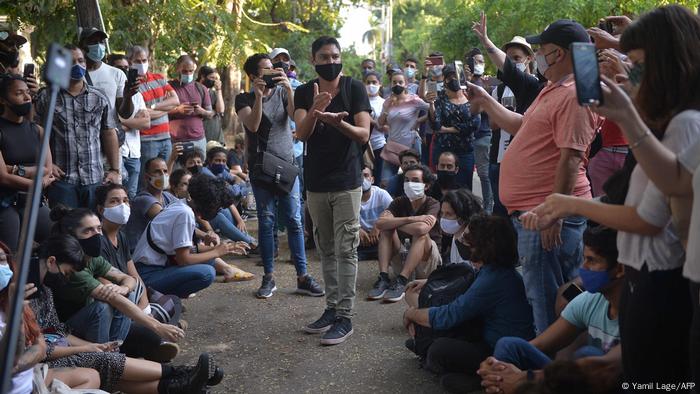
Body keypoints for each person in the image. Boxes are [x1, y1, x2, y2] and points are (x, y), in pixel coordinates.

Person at [521, 5, 700, 386]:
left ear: (666, 64)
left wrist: (567, 202)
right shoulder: (666, 122)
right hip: (647, 282)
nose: (627, 74)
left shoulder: (685, 124)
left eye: (635, 64)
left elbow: (650, 217)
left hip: (663, 284)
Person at [466, 20, 599, 334]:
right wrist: (486, 101)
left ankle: (548, 372)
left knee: (547, 298)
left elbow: (571, 158)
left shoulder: (575, 94)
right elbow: (521, 125)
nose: (537, 55)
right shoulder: (554, 88)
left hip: (545, 215)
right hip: (533, 213)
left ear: (561, 54)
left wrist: (553, 216)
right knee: (541, 294)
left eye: (542, 50)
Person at [23, 235, 222, 393]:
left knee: (109, 367)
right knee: (105, 362)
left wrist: (92, 346)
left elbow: (58, 332)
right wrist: (84, 349)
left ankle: (183, 385)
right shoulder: (22, 296)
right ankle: (181, 374)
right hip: (38, 365)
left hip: (52, 354)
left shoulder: (44, 290)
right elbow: (40, 350)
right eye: (65, 273)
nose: (65, 278)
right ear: (51, 261)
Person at [478, 226, 623, 394]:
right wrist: (494, 365)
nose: (583, 268)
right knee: (508, 345)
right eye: (583, 259)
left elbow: (599, 369)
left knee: (587, 354)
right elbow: (543, 338)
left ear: (619, 269)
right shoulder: (590, 300)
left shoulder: (641, 310)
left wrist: (526, 377)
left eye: (592, 260)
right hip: (576, 377)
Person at [294, 36, 371, 345]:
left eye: (335, 56)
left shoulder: (354, 88)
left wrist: (339, 123)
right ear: (313, 61)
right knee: (325, 247)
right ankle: (331, 308)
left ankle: (345, 316)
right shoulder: (303, 91)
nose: (330, 61)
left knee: (346, 247)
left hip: (347, 181)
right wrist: (315, 110)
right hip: (315, 182)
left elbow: (364, 134)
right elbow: (301, 133)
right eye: (323, 57)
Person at [402, 214, 535, 386]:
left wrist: (412, 314)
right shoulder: (494, 270)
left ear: (483, 247)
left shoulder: (494, 279)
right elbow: (463, 289)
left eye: (467, 240)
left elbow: (448, 315)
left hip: (500, 353)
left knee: (439, 350)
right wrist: (431, 282)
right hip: (489, 338)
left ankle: (484, 379)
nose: (462, 243)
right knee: (438, 337)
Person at [236, 53, 322, 299]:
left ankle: (302, 276)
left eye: (273, 68)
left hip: (286, 164)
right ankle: (269, 277)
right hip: (261, 167)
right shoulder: (243, 98)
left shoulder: (284, 92)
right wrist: (260, 97)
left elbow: (296, 119)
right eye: (266, 70)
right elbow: (252, 125)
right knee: (266, 220)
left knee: (294, 220)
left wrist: (288, 89)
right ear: (253, 76)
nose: (272, 72)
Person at [49, 206, 185, 360]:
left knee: (165, 299)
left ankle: (114, 351)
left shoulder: (94, 257)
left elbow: (130, 280)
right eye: (88, 231)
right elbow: (112, 299)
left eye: (98, 228)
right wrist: (157, 326)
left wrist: (124, 288)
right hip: (73, 332)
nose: (97, 235)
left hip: (110, 323)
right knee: (104, 307)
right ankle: (105, 359)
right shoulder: (73, 268)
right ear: (72, 236)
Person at [0, 242, 103, 392]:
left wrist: (88, 347)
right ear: (51, 262)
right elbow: (9, 361)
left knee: (96, 373)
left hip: (32, 379)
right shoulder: (17, 299)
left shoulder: (17, 297)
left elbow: (40, 345)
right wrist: (15, 316)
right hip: (32, 376)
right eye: (66, 273)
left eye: (2, 260)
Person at [132, 174, 248, 297]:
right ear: (207, 203)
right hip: (147, 274)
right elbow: (183, 259)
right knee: (207, 273)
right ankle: (162, 298)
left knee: (208, 259)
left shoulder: (181, 206)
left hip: (157, 267)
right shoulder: (185, 214)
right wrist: (217, 252)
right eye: (216, 208)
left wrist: (226, 248)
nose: (216, 211)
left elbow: (186, 250)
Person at [472, 13, 542, 216]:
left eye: (516, 58)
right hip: (498, 159)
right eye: (508, 58)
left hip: (525, 162)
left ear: (529, 58)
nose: (511, 62)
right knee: (500, 215)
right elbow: (493, 124)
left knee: (520, 216)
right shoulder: (499, 90)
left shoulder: (536, 87)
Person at [35, 45, 121, 209]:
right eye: (71, 62)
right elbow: (36, 133)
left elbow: (109, 133)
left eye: (80, 61)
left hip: (94, 179)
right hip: (62, 181)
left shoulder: (99, 96)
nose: (77, 65)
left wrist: (115, 170)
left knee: (92, 228)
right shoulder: (47, 96)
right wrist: (48, 164)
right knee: (65, 231)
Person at [371, 164, 441, 302]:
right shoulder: (399, 202)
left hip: (427, 263)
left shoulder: (433, 204)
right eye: (407, 180)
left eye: (415, 180)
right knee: (386, 230)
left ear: (426, 186)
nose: (409, 184)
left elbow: (421, 229)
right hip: (403, 256)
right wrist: (411, 219)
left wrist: (395, 222)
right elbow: (379, 224)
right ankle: (384, 277)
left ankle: (402, 281)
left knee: (421, 235)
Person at [0, 75, 53, 252]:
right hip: (6, 204)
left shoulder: (38, 130)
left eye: (28, 93)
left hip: (34, 202)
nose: (27, 97)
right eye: (19, 93)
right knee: (10, 254)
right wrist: (37, 181)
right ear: (3, 100)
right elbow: (3, 178)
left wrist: (16, 169)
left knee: (55, 240)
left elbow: (48, 169)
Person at [127, 45, 180, 191]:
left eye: (144, 60)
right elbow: (141, 115)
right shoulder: (130, 85)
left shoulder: (159, 78)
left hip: (165, 137)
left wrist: (154, 108)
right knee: (146, 182)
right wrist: (166, 109)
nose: (142, 63)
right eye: (138, 60)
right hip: (147, 140)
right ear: (129, 61)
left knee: (165, 179)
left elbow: (175, 101)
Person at [426, 64, 481, 190]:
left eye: (456, 76)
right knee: (444, 188)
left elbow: (474, 124)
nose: (453, 80)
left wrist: (447, 129)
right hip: (444, 151)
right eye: (450, 78)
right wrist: (431, 104)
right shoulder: (439, 98)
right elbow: (436, 125)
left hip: (465, 151)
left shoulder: (471, 96)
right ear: (444, 80)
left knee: (464, 189)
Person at [378, 70, 429, 183]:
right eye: (394, 82)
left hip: (411, 146)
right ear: (391, 84)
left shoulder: (413, 100)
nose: (397, 85)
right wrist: (386, 109)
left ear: (406, 84)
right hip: (392, 147)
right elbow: (380, 123)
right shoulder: (387, 102)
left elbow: (432, 110)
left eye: (400, 82)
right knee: (385, 182)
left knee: (414, 181)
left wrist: (419, 120)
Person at [79, 28, 134, 125]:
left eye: (101, 42)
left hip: (109, 136)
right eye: (94, 42)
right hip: (85, 136)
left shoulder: (117, 74)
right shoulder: (75, 75)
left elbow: (125, 115)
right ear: (82, 46)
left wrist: (128, 97)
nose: (99, 46)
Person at [124, 157, 177, 253]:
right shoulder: (143, 200)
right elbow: (172, 223)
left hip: (158, 251)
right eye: (157, 171)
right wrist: (204, 235)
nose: (162, 175)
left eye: (165, 171)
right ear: (146, 177)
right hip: (142, 256)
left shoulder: (167, 196)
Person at [465, 48, 494, 213]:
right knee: (471, 173)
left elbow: (485, 107)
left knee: (484, 174)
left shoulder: (486, 83)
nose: (480, 64)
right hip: (467, 136)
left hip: (484, 134)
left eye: (482, 61)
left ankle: (488, 207)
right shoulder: (466, 83)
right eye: (476, 61)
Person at [168, 55, 214, 157]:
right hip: (175, 140)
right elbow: (159, 112)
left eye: (191, 71)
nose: (188, 74)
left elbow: (210, 114)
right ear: (177, 69)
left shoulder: (201, 88)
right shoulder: (168, 87)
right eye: (184, 71)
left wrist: (201, 111)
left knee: (198, 171)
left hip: (198, 139)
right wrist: (177, 110)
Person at [435, 189, 483, 268]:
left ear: (463, 216)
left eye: (449, 214)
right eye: (442, 213)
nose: (443, 218)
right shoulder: (456, 236)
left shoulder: (472, 243)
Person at [358, 165, 393, 261]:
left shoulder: (381, 194)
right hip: (360, 239)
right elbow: (346, 220)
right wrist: (358, 229)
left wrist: (378, 226)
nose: (362, 179)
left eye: (366, 175)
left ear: (372, 179)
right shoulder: (349, 198)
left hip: (380, 236)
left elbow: (393, 213)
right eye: (359, 176)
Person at [364, 70, 386, 184]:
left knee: (378, 178)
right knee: (365, 178)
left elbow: (386, 126)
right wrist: (375, 123)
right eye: (368, 82)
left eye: (374, 82)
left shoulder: (385, 103)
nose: (371, 85)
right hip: (364, 146)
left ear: (380, 84)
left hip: (379, 145)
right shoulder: (360, 101)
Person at [196, 66, 225, 145]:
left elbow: (221, 110)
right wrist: (209, 113)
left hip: (216, 136)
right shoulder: (194, 89)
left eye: (216, 78)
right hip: (199, 135)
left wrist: (219, 90)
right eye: (212, 78)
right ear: (202, 77)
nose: (215, 81)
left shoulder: (213, 93)